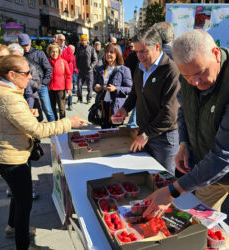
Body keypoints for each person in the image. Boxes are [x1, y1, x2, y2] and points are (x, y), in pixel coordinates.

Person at [143, 30, 229, 250]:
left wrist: (173, 190)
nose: (196, 82)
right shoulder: (188, 71)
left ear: (216, 53)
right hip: (210, 168)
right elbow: (185, 110)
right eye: (188, 77)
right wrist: (184, 144)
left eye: (200, 73)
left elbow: (227, 153)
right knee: (198, 228)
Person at [0, 55, 87, 250]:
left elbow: (11, 119)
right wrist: (69, 123)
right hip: (12, 158)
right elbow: (38, 131)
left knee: (18, 197)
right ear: (11, 75)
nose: (30, 76)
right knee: (24, 204)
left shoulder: (2, 90)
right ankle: (23, 245)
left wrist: (26, 115)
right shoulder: (9, 97)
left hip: (7, 153)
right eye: (26, 73)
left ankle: (12, 227)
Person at [113, 28, 180, 174]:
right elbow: (135, 93)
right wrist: (124, 109)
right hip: (144, 133)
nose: (139, 56)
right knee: (145, 177)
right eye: (136, 51)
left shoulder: (171, 70)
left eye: (143, 51)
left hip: (164, 139)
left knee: (163, 181)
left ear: (157, 46)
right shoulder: (140, 67)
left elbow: (169, 113)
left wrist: (145, 135)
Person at [93, 43, 133, 129]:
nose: (108, 54)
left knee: (116, 131)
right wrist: (96, 87)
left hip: (116, 106)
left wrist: (116, 88)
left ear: (117, 54)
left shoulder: (124, 70)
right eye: (107, 52)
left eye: (111, 52)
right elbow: (95, 83)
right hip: (102, 105)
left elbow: (130, 89)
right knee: (104, 130)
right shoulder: (100, 69)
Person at [18, 33, 55, 122]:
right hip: (28, 88)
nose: (25, 47)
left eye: (27, 44)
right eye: (23, 45)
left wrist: (44, 82)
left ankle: (54, 130)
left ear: (30, 42)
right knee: (33, 110)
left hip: (41, 86)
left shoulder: (39, 53)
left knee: (47, 109)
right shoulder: (19, 56)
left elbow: (48, 68)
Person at [47, 43, 72, 120]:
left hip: (61, 89)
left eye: (56, 52)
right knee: (52, 107)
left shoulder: (63, 62)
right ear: (49, 52)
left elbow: (68, 75)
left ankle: (62, 123)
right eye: (53, 52)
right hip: (50, 89)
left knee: (61, 108)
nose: (54, 53)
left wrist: (68, 88)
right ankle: (55, 122)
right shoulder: (47, 62)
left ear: (59, 52)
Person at [75, 34, 97, 104]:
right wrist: (78, 66)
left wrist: (91, 66)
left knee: (89, 86)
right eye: (82, 40)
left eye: (84, 40)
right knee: (79, 85)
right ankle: (79, 98)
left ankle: (88, 99)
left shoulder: (91, 49)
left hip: (89, 71)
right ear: (80, 41)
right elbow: (77, 59)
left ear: (87, 41)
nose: (83, 41)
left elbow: (95, 59)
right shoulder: (78, 49)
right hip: (81, 71)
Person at [67, 44, 78, 111]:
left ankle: (70, 104)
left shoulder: (74, 57)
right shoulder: (64, 56)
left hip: (71, 75)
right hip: (65, 75)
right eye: (70, 50)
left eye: (73, 50)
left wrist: (75, 70)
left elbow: (75, 65)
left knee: (70, 89)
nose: (71, 51)